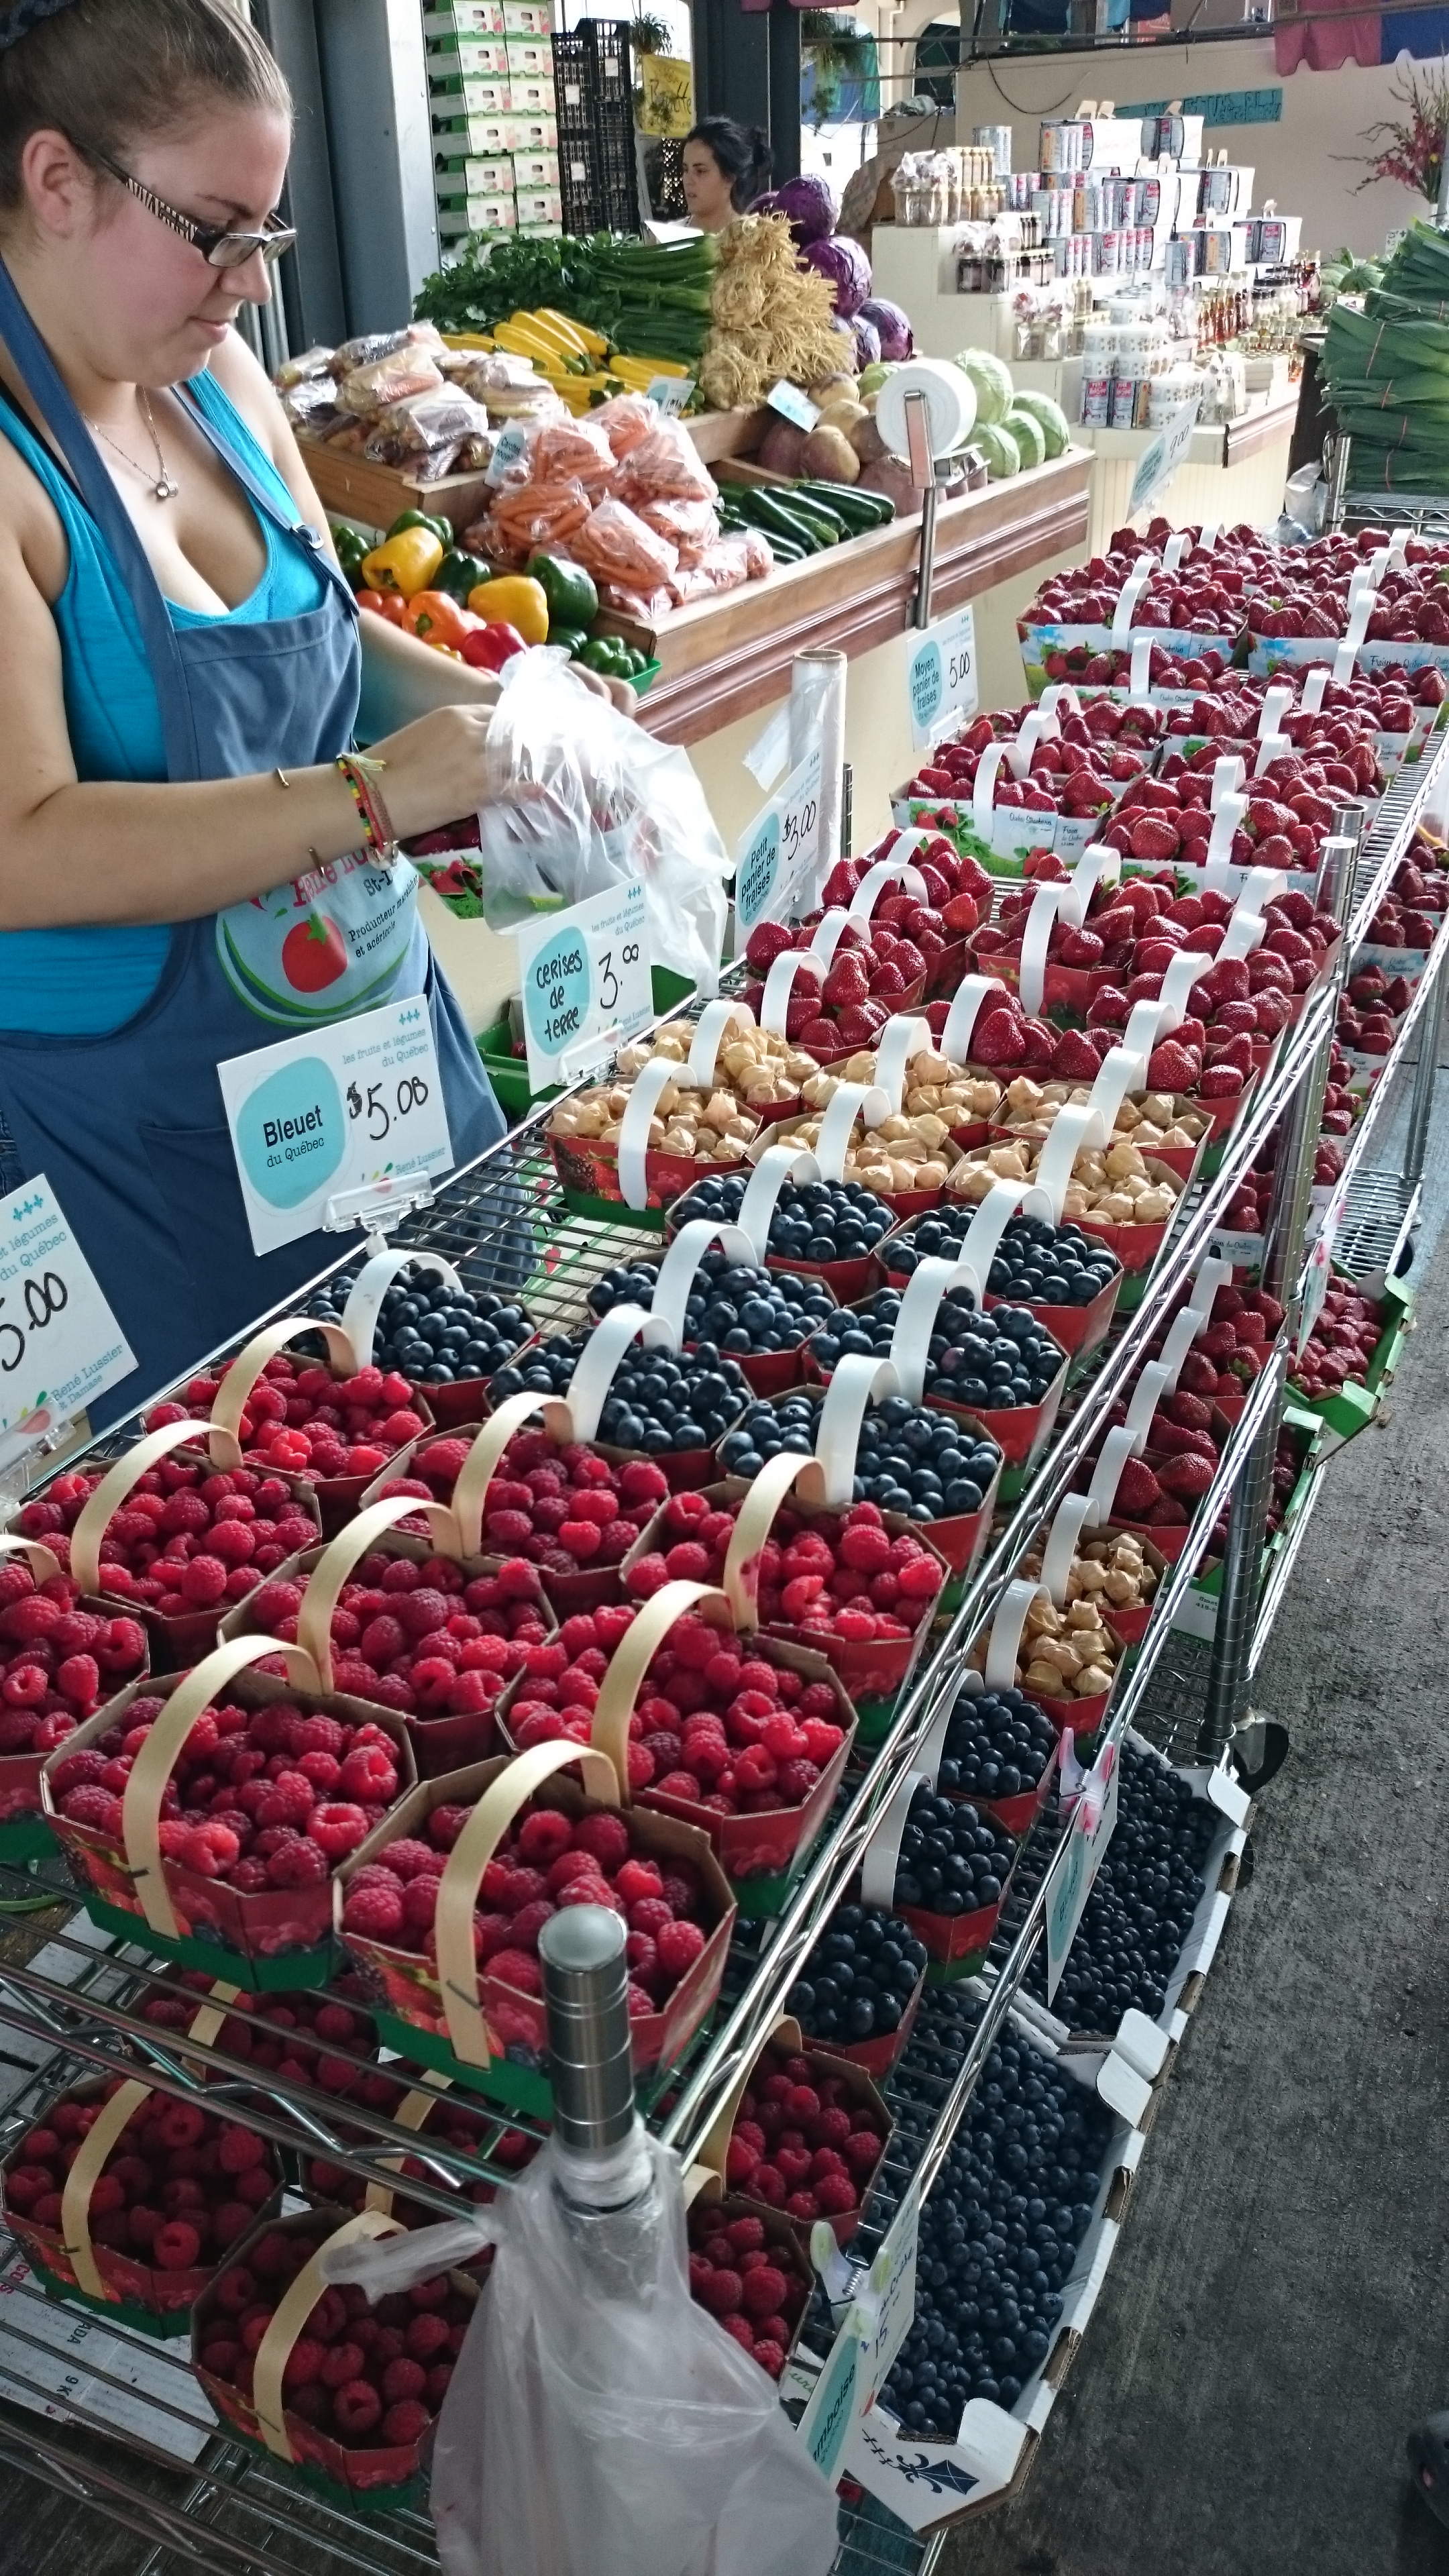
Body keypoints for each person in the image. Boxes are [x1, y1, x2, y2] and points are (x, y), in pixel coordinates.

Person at [0, 0, 624, 1430]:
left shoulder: (218, 384)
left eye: (267, 237)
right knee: (262, 1508)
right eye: (214, 231)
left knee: (477, 1454)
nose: (246, 285)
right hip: (144, 1129)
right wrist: (373, 795)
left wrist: (511, 710)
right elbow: (21, 848)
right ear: (58, 181)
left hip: (372, 1061)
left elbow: (332, 645)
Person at [680, 118, 771, 233]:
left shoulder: (756, 239)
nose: (688, 180)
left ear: (730, 177)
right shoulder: (665, 239)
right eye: (686, 170)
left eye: (700, 171)